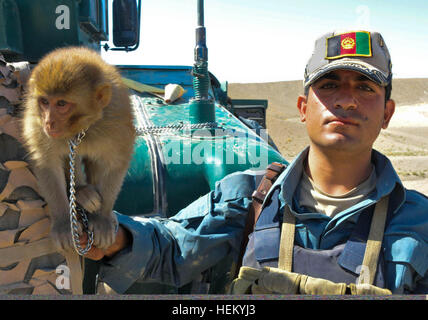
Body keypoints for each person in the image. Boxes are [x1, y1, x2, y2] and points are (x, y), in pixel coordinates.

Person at [82, 30, 428, 294]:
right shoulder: (251, 196)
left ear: (387, 113)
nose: (347, 101)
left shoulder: (419, 222)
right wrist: (118, 237)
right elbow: (173, 246)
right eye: (330, 84)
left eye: (366, 88)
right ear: (303, 108)